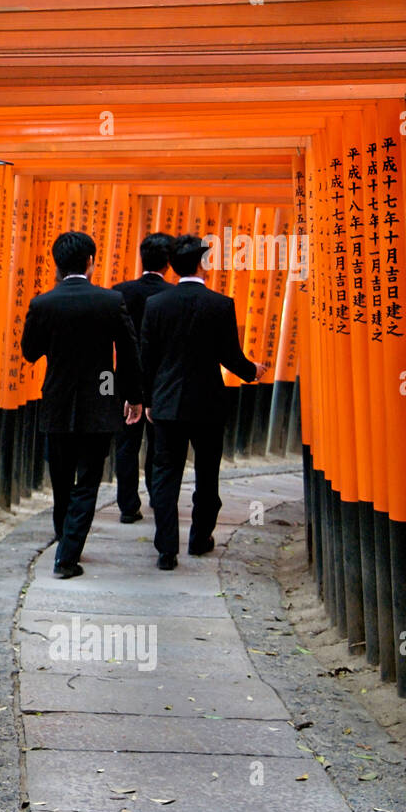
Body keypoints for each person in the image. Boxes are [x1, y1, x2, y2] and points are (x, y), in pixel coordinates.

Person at [139, 234, 268, 571]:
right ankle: (199, 539)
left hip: (167, 403)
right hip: (208, 403)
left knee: (165, 475)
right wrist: (252, 371)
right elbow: (230, 357)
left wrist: (147, 399)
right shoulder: (220, 304)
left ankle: (166, 550)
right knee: (207, 474)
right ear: (201, 264)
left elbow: (147, 358)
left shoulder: (156, 305)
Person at [22, 231, 143, 579]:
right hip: (99, 404)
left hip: (57, 404)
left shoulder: (42, 304)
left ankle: (64, 537)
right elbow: (130, 354)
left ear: (56, 263)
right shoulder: (110, 301)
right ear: (91, 262)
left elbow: (30, 352)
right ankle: (67, 554)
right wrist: (133, 397)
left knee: (60, 478)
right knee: (88, 482)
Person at [111, 233, 175, 524]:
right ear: (168, 263)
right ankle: (156, 494)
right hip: (163, 379)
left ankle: (127, 505)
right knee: (159, 442)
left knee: (126, 443)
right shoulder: (172, 296)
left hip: (124, 377)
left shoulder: (120, 292)